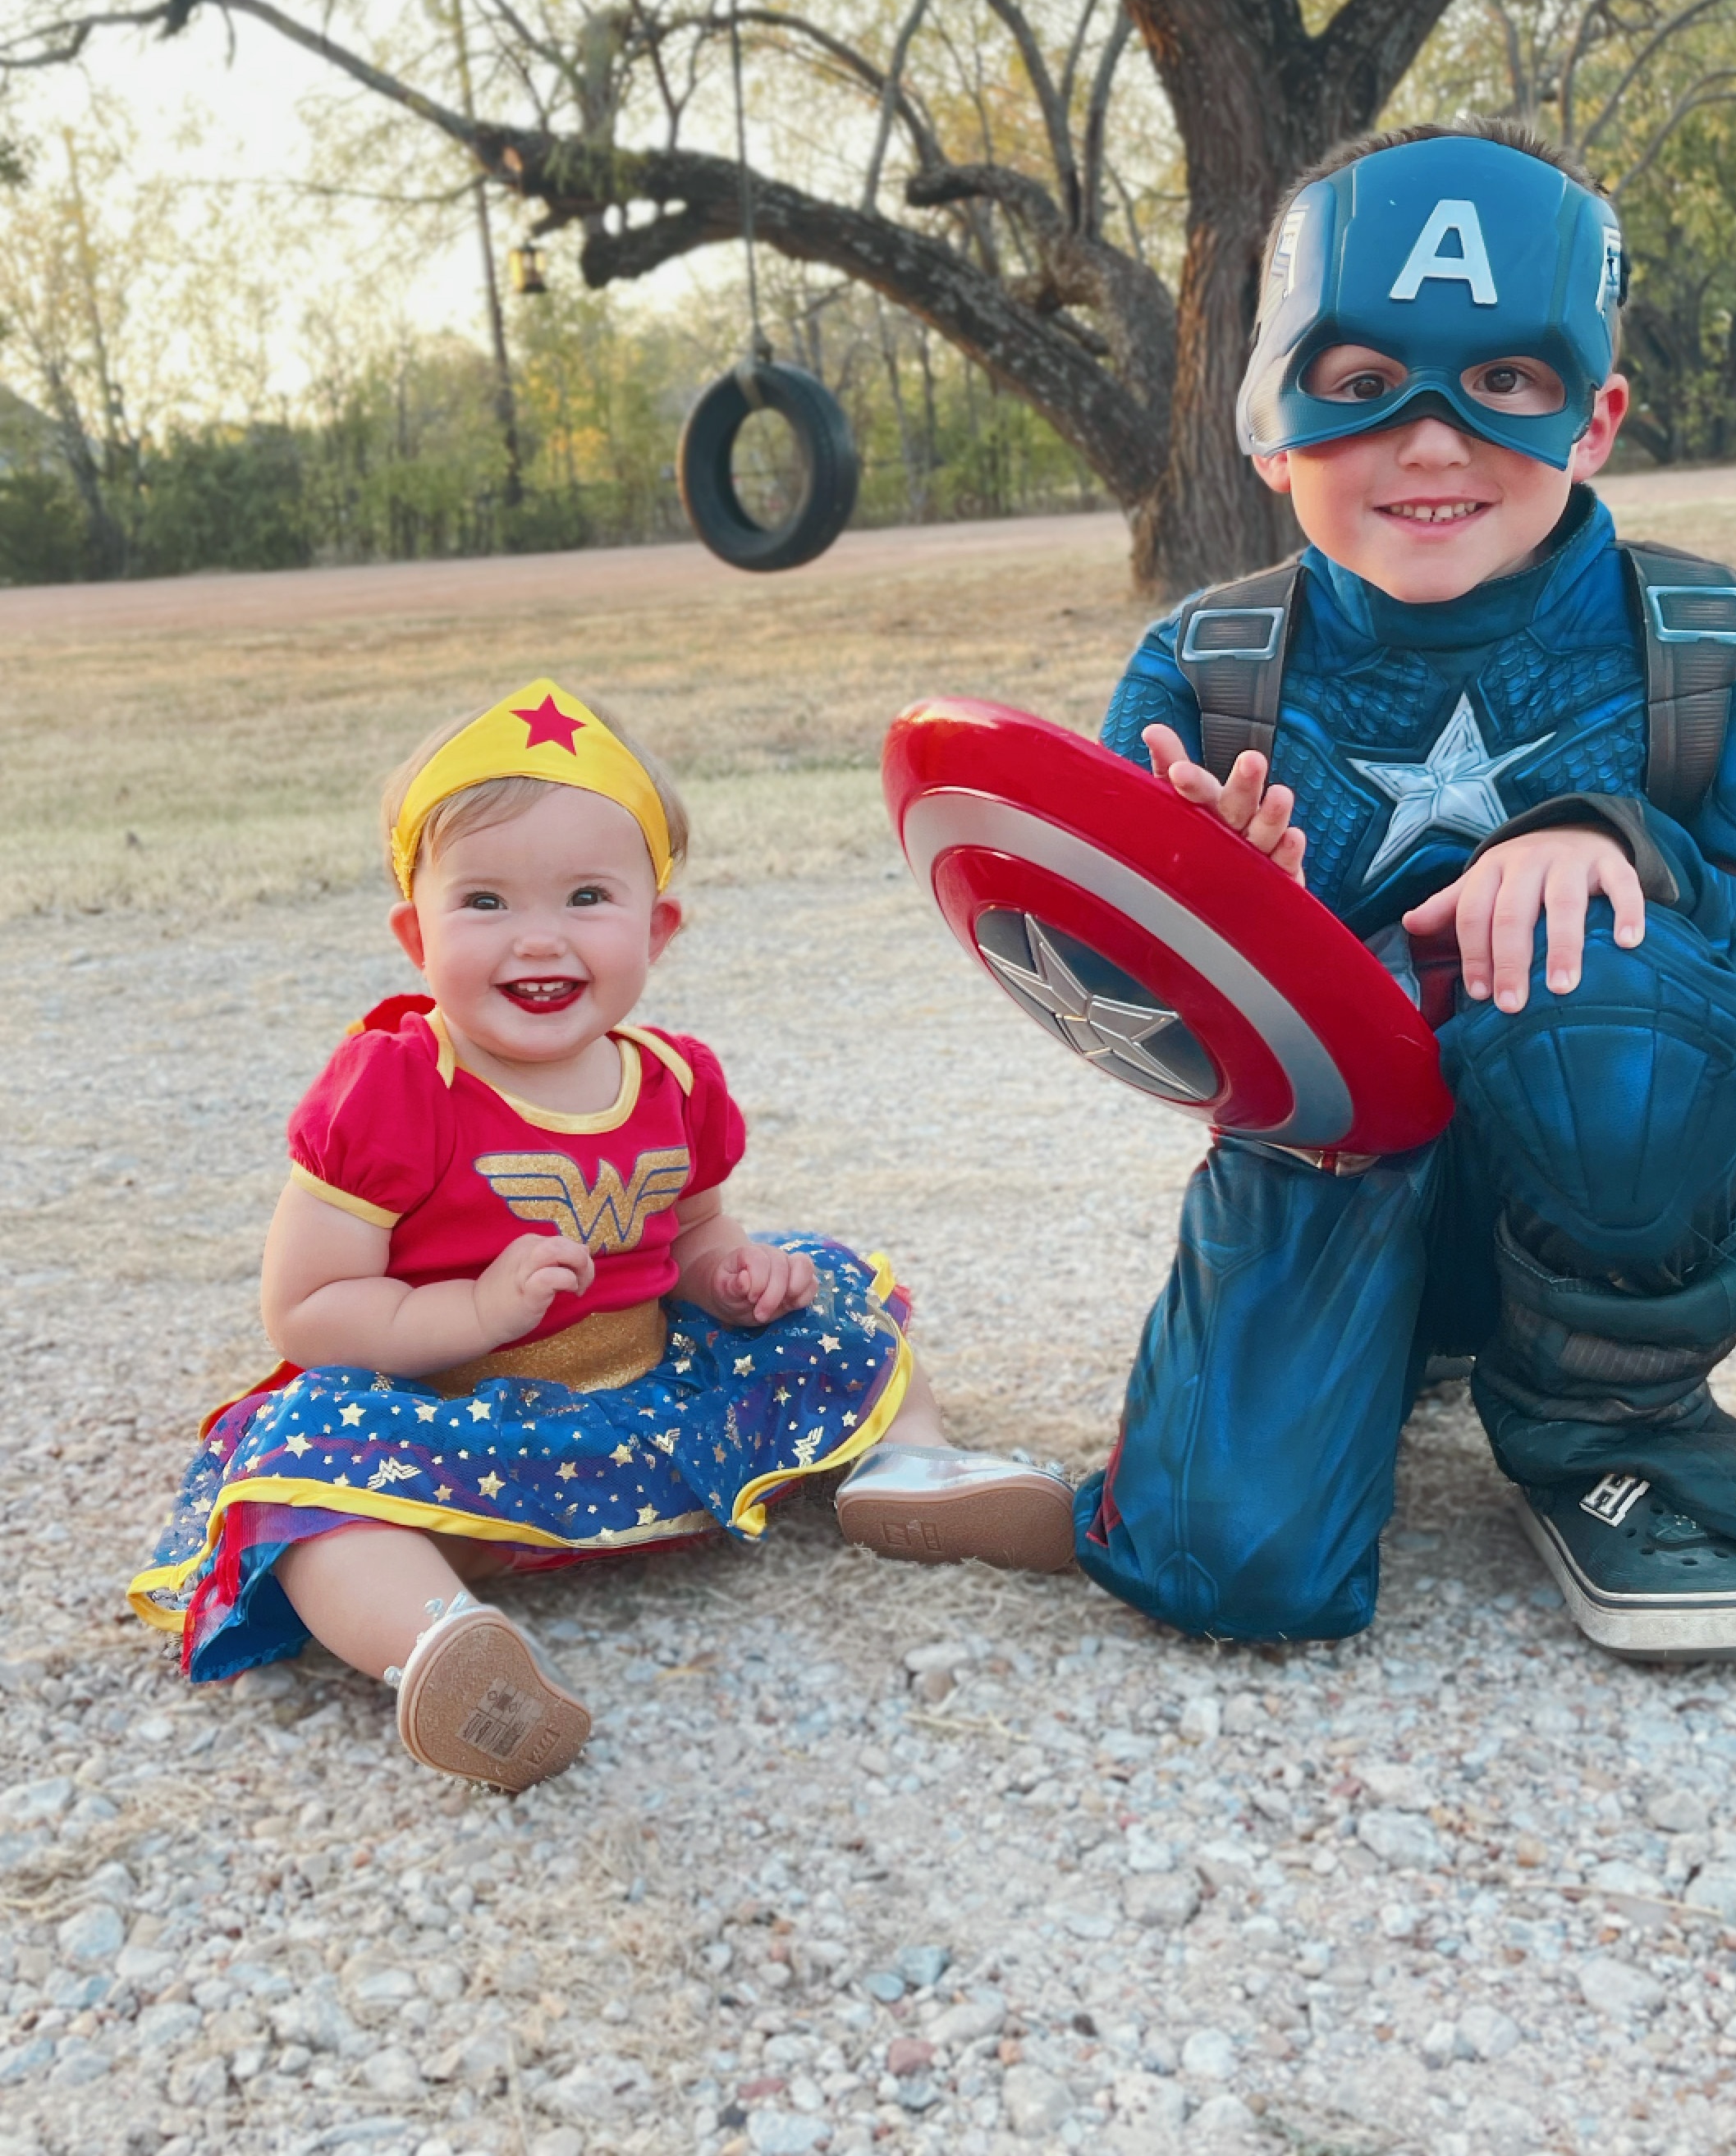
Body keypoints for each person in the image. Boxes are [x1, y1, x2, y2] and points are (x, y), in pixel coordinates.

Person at [1077, 121, 1736, 1660]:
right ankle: (1340, 1368)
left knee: (1601, 982)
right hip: (1332, 1170)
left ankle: (1614, 1430)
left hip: (1614, 1184)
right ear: (1270, 419)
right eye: (1362, 384)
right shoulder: (1202, 673)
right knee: (1226, 1563)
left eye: (1503, 381)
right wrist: (1227, 934)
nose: (1436, 440)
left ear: (1594, 419)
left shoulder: (1719, 647)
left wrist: (1631, 857)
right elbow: (1094, 997)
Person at [131, 679, 1073, 1788]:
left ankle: (910, 1468)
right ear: (412, 931)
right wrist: (476, 1310)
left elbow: (690, 1245)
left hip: (642, 1405)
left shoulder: (672, 1079)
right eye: (483, 902)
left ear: (656, 928)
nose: (539, 939)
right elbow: (308, 1309)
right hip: (453, 1427)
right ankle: (440, 1645)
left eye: (586, 897)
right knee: (300, 1470)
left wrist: (734, 1278)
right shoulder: (394, 1086)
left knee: (829, 1284)